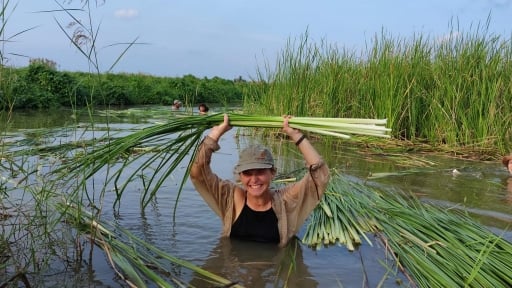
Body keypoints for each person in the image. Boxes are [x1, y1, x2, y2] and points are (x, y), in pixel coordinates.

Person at [189, 114, 330, 247]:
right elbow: (198, 174)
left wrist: (297, 136)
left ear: (272, 173)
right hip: (237, 271)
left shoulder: (286, 201)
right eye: (247, 173)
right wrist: (216, 134)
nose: (254, 179)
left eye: (261, 172)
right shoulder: (232, 199)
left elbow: (320, 176)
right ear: (240, 175)